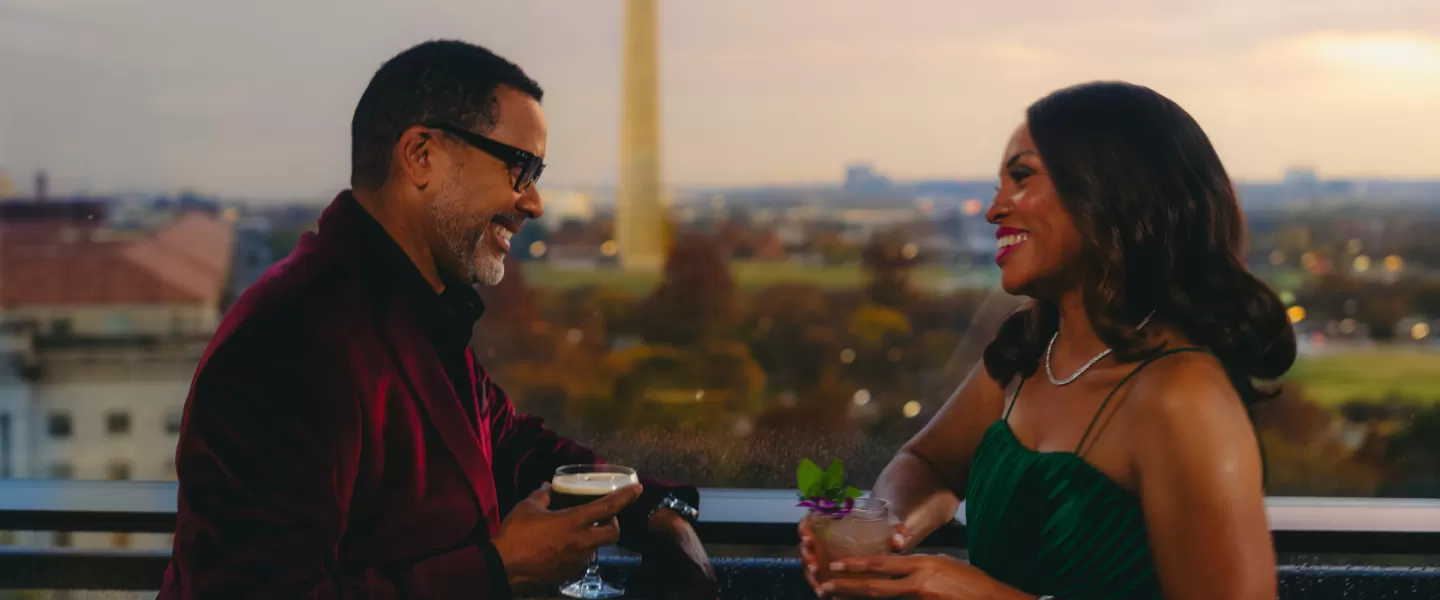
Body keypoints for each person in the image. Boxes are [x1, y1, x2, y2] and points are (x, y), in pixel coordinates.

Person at [160, 40, 716, 599]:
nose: (534, 202)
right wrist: (498, 570)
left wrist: (656, 509)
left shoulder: (406, 309)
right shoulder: (287, 342)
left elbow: (510, 446)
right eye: (520, 168)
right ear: (421, 157)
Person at [801, 81, 1295, 600]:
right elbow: (929, 464)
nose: (994, 210)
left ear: (1111, 191)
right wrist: (883, 532)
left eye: (1021, 177)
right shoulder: (1031, 350)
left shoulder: (1182, 395)